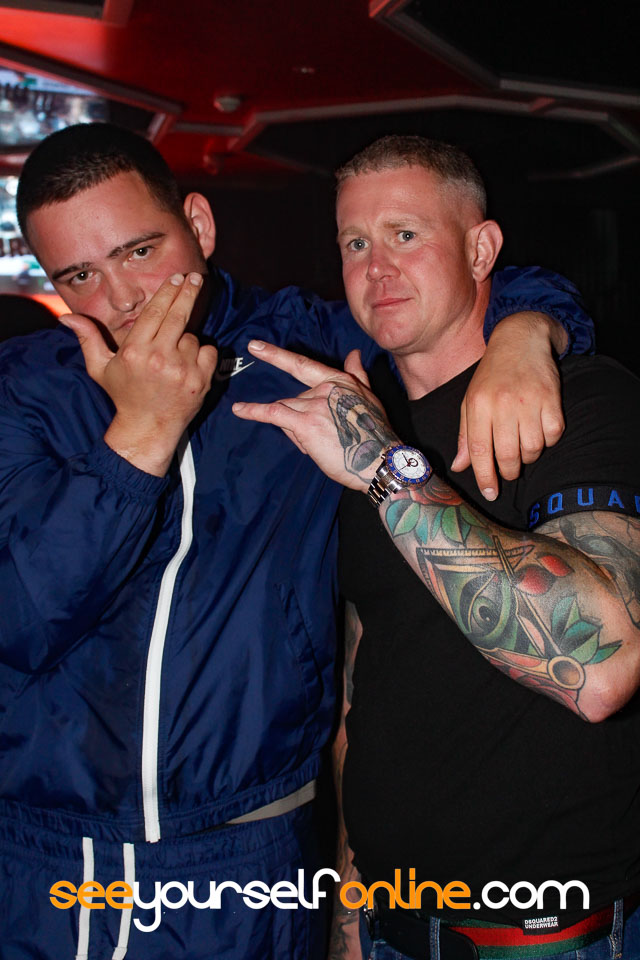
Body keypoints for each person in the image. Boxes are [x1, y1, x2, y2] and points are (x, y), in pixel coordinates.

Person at [0, 123, 592, 960]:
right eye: (80, 276)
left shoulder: (300, 345)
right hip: (53, 865)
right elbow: (21, 619)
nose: (124, 298)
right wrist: (140, 436)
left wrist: (528, 332)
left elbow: (458, 286)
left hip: (252, 855)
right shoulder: (24, 387)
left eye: (140, 251)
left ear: (198, 225)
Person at [231, 136, 640, 960]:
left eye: (405, 234)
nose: (375, 267)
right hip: (393, 925)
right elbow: (366, 693)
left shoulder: (586, 399)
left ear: (481, 251)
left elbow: (600, 669)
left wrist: (384, 468)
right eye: (354, 242)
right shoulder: (363, 422)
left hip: (543, 935)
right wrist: (351, 914)